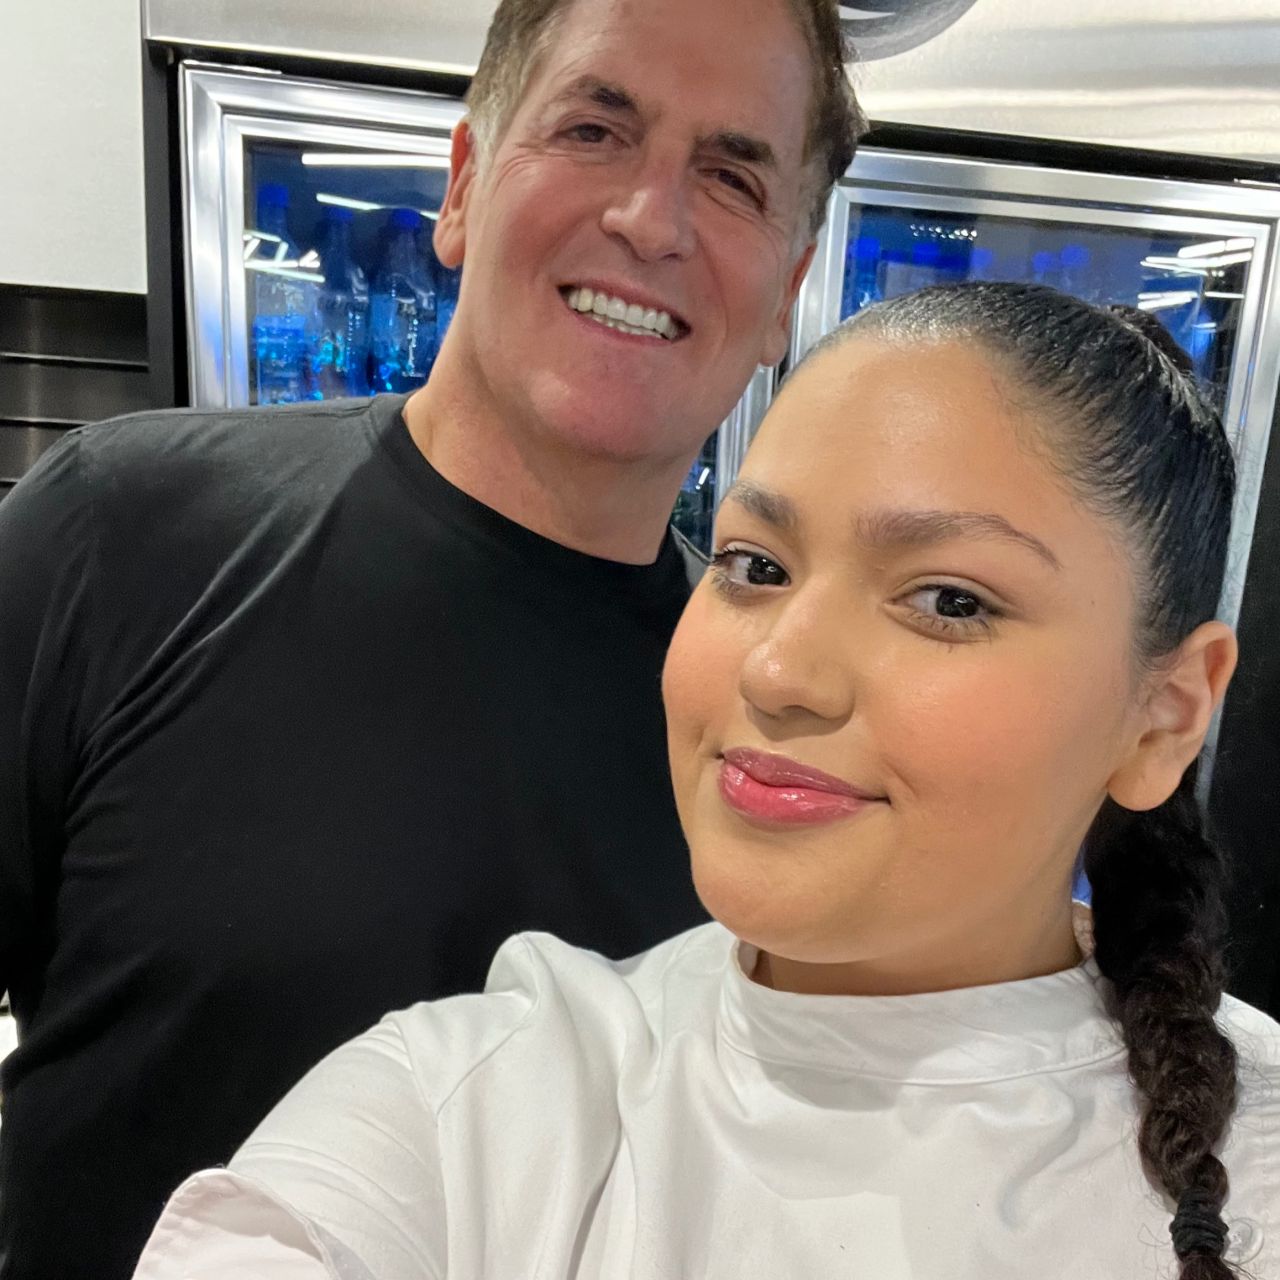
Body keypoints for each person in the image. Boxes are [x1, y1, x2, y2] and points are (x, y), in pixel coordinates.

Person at [134, 283, 1277, 1279]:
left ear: (1164, 713)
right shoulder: (480, 1101)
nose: (776, 671)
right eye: (753, 565)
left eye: (946, 599)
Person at [0, 1, 864, 1276]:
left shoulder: (786, 727)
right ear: (463, 187)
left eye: (732, 176)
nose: (651, 218)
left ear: (787, 291)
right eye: (593, 128)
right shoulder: (117, 531)